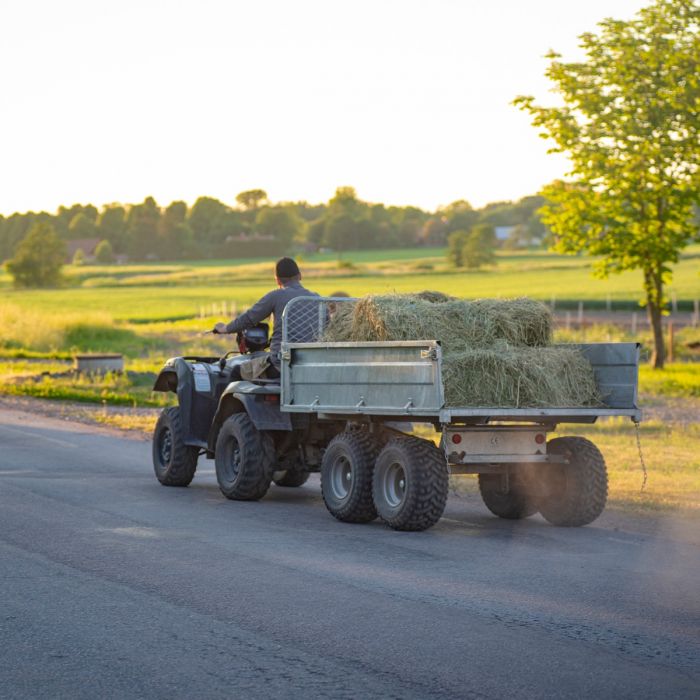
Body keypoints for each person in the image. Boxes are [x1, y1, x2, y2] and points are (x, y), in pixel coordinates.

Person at [214, 257, 318, 378]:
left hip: (280, 365)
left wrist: (225, 328)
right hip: (310, 365)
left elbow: (249, 318)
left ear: (277, 280)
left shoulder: (276, 296)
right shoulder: (318, 299)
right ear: (300, 276)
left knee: (236, 371)